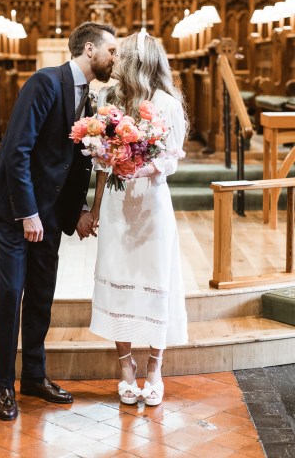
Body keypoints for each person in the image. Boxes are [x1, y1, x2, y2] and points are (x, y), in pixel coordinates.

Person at [0, 22, 117, 420]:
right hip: (13, 208)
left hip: (49, 213)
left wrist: (77, 213)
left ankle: (34, 376)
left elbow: (71, 166)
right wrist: (28, 213)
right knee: (12, 290)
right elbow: (18, 151)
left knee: (41, 293)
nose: (115, 59)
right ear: (89, 49)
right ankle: (5, 386)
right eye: (112, 51)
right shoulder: (44, 83)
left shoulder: (88, 99)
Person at [89, 31, 188, 407]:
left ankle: (155, 367)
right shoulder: (109, 99)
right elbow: (99, 158)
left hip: (151, 203)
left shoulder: (167, 103)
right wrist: (98, 197)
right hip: (118, 204)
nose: (114, 61)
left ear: (137, 63)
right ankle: (125, 365)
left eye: (121, 56)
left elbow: (172, 158)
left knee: (154, 276)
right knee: (119, 275)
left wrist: (143, 169)